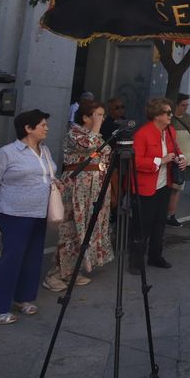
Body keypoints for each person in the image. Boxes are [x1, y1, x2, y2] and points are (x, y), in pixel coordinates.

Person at [0, 110, 57, 325]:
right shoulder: (7, 153)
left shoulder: (45, 151)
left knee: (33, 258)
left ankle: (24, 298)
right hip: (14, 214)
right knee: (11, 261)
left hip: (39, 213)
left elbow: (48, 176)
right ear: (28, 128)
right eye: (42, 125)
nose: (46, 128)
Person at [44, 99, 112, 292]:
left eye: (102, 115)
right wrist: (97, 126)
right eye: (98, 115)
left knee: (87, 229)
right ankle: (55, 274)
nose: (102, 118)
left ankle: (72, 270)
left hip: (96, 187)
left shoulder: (96, 135)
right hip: (78, 188)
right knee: (71, 230)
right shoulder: (75, 133)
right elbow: (88, 145)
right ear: (85, 117)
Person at [131, 98, 180, 271]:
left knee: (160, 221)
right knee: (143, 224)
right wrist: (160, 160)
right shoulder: (143, 134)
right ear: (157, 115)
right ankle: (136, 261)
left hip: (163, 184)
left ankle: (155, 256)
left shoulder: (170, 132)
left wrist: (180, 159)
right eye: (167, 113)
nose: (170, 116)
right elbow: (135, 162)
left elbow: (176, 151)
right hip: (145, 187)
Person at [167, 93, 190, 228]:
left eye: (187, 105)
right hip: (173, 158)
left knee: (177, 188)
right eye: (183, 105)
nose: (185, 108)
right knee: (172, 188)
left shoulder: (189, 118)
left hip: (186, 158)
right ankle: (168, 214)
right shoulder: (170, 120)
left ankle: (171, 214)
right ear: (176, 105)